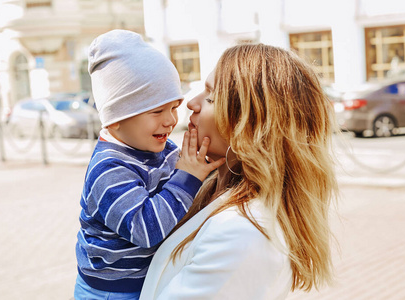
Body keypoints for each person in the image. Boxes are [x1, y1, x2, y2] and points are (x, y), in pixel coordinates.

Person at [140, 44, 339, 299]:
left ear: (251, 124)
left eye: (211, 96)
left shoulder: (242, 231)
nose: (192, 103)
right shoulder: (208, 187)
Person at [74, 30, 224, 300]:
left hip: (146, 281)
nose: (170, 120)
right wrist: (188, 177)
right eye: (156, 111)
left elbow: (179, 200)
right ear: (115, 118)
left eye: (174, 107)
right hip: (112, 292)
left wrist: (205, 171)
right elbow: (147, 229)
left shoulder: (162, 149)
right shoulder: (108, 170)